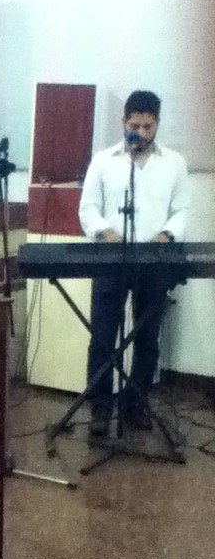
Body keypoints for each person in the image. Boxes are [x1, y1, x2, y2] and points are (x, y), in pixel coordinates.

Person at [79, 90, 189, 436]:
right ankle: (100, 408)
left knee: (147, 338)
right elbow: (87, 209)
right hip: (111, 259)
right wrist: (105, 231)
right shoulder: (104, 160)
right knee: (102, 337)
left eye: (147, 126)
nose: (140, 132)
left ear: (157, 125)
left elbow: (182, 209)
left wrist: (168, 233)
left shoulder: (174, 163)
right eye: (134, 125)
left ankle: (135, 404)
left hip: (153, 261)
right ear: (123, 122)